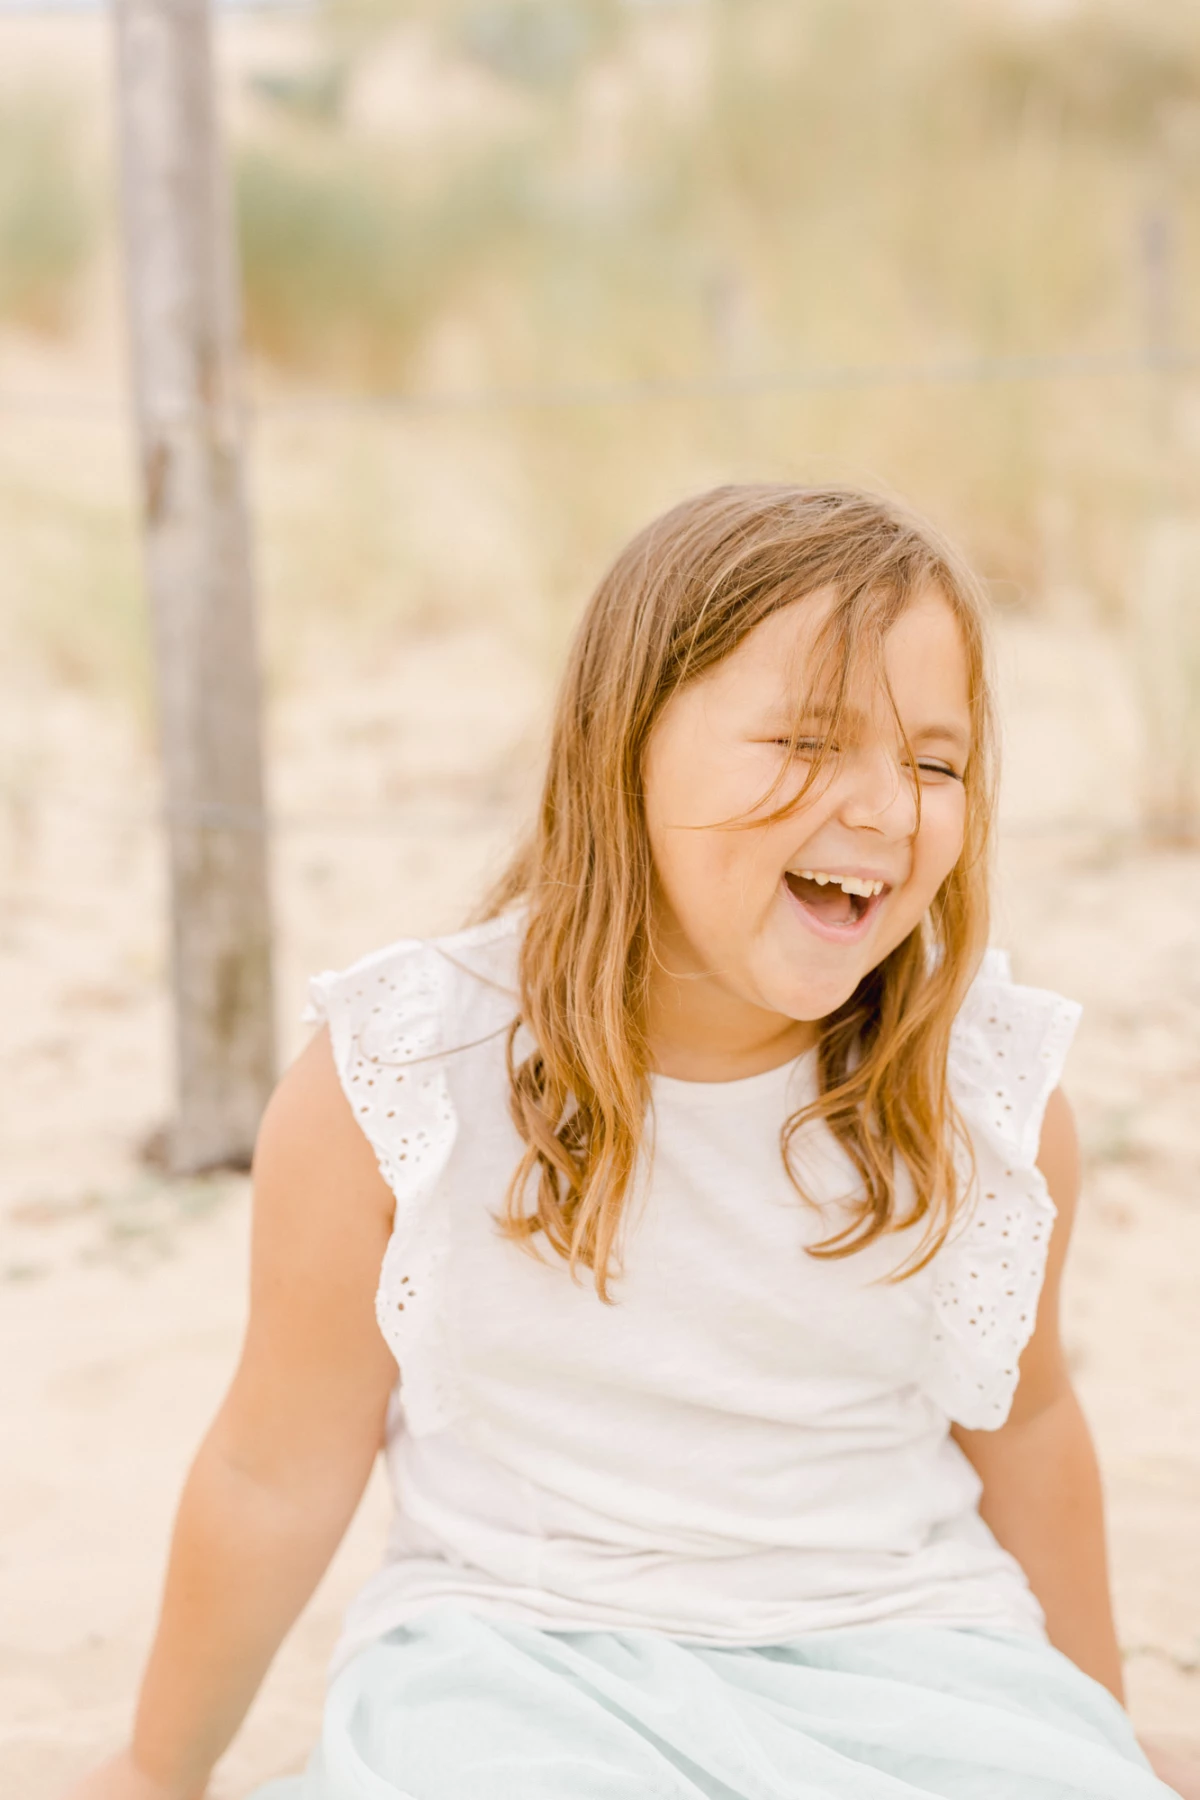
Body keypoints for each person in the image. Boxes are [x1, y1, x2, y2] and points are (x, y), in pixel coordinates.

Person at [69, 486, 1193, 1800]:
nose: (888, 811)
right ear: (627, 747)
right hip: (517, 1658)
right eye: (808, 741)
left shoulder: (983, 1098)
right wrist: (154, 1768)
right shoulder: (403, 1079)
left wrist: (1093, 1729)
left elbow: (1031, 1425)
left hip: (909, 1646)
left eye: (934, 762)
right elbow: (273, 1469)